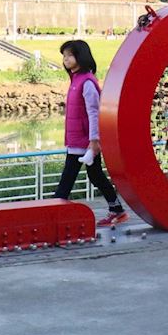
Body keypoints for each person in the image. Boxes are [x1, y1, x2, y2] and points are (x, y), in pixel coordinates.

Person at [52, 40, 129, 226]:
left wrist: (94, 141)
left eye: (69, 55)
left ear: (81, 57)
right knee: (96, 176)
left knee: (66, 182)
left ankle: (51, 215)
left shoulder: (86, 82)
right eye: (64, 56)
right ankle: (118, 210)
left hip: (84, 142)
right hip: (78, 140)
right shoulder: (76, 80)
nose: (66, 59)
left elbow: (94, 113)